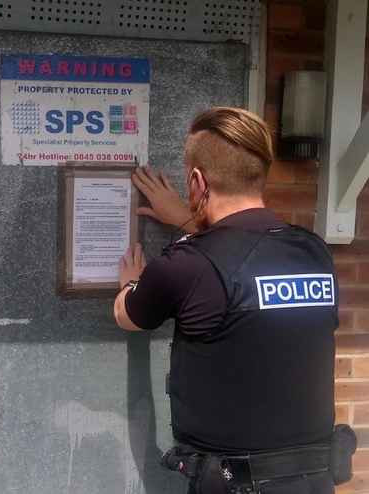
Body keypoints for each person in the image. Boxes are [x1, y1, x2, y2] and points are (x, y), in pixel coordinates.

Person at [113, 107, 355, 494]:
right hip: (312, 480)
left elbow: (130, 316)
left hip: (233, 483)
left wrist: (130, 284)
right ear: (259, 175)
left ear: (196, 180)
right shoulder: (313, 252)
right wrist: (185, 218)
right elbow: (241, 259)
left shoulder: (185, 265)